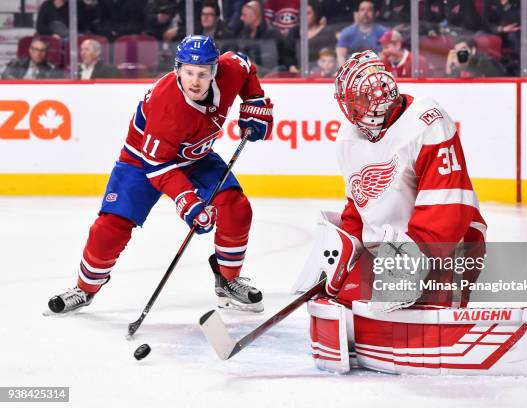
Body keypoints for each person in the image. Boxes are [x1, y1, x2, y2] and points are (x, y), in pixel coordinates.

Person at [48, 35, 274, 314]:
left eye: (203, 74)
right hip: (143, 160)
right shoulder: (166, 105)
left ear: (215, 70)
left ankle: (228, 282)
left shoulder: (230, 70)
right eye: (189, 72)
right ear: (178, 69)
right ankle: (84, 288)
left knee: (237, 208)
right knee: (110, 227)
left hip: (195, 156)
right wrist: (187, 202)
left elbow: (245, 64)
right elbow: (159, 167)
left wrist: (255, 100)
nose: (195, 81)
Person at [295, 50, 486, 313]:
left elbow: (448, 207)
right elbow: (360, 204)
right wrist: (341, 254)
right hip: (390, 253)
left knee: (423, 322)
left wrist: (407, 264)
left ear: (375, 100)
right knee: (342, 305)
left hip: (446, 247)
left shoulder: (427, 121)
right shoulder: (349, 136)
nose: (350, 110)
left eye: (355, 101)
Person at [336, 0, 388, 66]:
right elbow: (340, 57)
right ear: (357, 13)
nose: (365, 13)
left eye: (369, 10)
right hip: (352, 72)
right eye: (362, 9)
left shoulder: (384, 33)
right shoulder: (346, 33)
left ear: (375, 13)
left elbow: (387, 57)